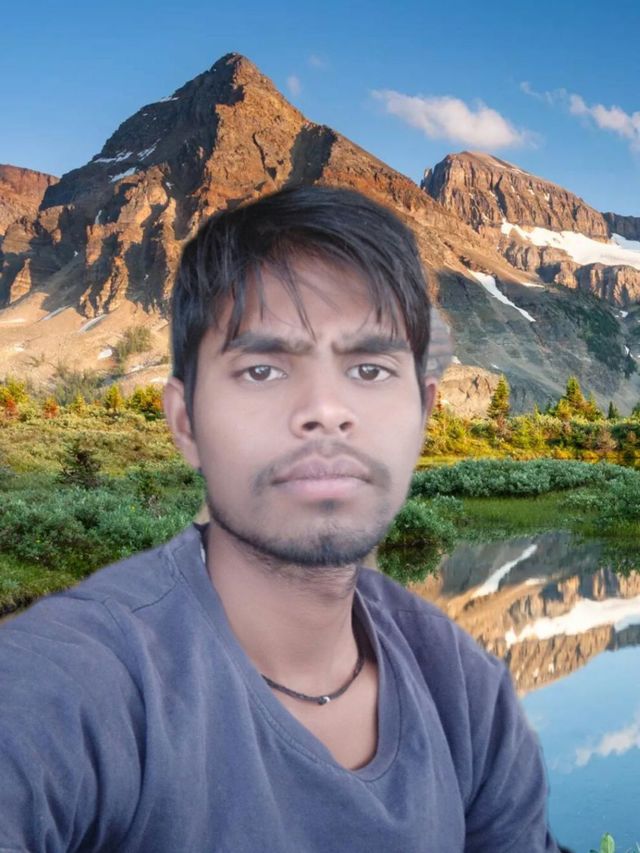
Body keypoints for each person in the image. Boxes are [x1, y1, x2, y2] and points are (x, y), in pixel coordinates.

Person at [0, 185, 568, 852]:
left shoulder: (466, 694)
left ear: (423, 413)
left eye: (369, 368)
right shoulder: (71, 683)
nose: (325, 410)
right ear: (185, 422)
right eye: (263, 370)